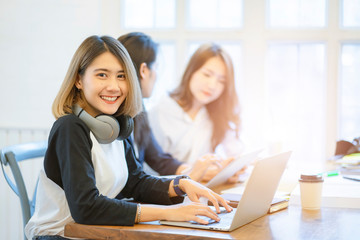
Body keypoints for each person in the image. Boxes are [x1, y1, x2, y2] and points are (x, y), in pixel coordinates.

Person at [25, 35, 232, 240]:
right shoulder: (70, 128)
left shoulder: (116, 126)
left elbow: (136, 182)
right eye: (102, 75)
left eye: (121, 76)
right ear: (79, 80)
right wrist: (168, 213)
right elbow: (86, 207)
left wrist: (181, 184)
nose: (114, 86)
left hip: (97, 234)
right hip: (58, 235)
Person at [118, 32, 233, 182]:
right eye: (156, 67)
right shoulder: (152, 112)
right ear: (144, 71)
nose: (212, 86)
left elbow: (159, 159)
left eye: (221, 81)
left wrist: (204, 171)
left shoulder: (140, 111)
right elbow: (143, 175)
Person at [148, 43, 243, 176]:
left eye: (221, 81)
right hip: (165, 192)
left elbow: (236, 152)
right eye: (207, 74)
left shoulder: (213, 114)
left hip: (199, 192)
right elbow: (153, 168)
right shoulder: (160, 112)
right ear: (191, 71)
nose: (212, 86)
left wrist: (231, 172)